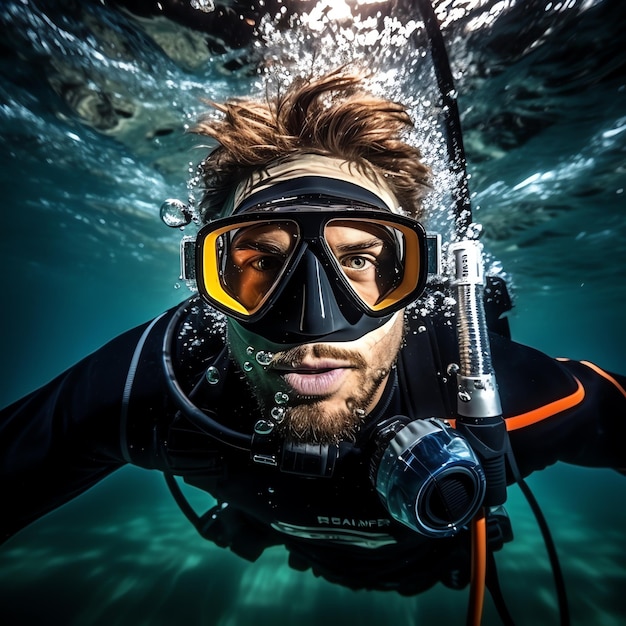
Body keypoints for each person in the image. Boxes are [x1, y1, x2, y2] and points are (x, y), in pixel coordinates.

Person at [1, 69, 625, 603]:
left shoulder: (500, 395)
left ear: (419, 279)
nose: (311, 320)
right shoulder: (165, 379)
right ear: (205, 283)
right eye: (263, 263)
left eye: (358, 260)